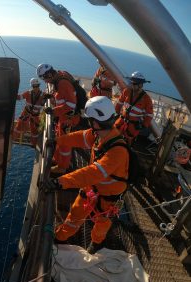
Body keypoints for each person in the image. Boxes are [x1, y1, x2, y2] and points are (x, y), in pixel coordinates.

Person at [42, 96, 129, 253]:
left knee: (101, 224)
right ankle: (59, 238)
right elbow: (80, 137)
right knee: (75, 214)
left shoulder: (118, 151)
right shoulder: (99, 135)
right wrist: (58, 141)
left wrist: (60, 182)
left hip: (108, 196)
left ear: (95, 122)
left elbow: (93, 172)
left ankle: (95, 244)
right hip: (93, 188)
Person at [37, 63, 81, 175]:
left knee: (64, 144)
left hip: (68, 118)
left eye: (45, 78)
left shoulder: (62, 83)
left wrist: (53, 111)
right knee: (59, 139)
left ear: (50, 74)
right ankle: (58, 160)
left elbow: (71, 105)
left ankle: (63, 167)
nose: (46, 82)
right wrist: (51, 96)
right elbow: (62, 96)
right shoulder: (60, 75)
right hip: (63, 117)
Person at [114, 71, 154, 145]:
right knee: (113, 137)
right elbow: (119, 103)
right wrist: (116, 113)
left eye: (134, 83)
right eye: (131, 83)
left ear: (140, 85)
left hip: (132, 126)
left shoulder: (146, 99)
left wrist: (144, 125)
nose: (132, 85)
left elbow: (150, 115)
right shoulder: (126, 91)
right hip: (121, 121)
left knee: (127, 143)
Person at [14, 78, 45, 147]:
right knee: (19, 126)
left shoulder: (43, 95)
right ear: (32, 86)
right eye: (34, 86)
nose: (36, 88)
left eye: (37, 86)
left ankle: (34, 144)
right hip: (26, 113)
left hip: (35, 116)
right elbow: (19, 97)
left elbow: (51, 100)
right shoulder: (28, 93)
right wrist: (12, 93)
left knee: (34, 131)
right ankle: (13, 138)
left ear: (39, 86)